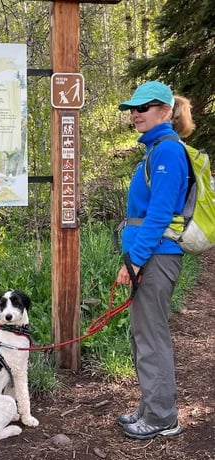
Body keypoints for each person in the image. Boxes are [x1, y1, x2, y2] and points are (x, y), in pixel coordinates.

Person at [116, 81, 195, 440]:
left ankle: (163, 417)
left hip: (157, 256)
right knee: (142, 335)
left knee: (151, 337)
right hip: (151, 255)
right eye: (133, 108)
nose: (136, 113)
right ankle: (151, 406)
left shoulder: (168, 152)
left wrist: (134, 260)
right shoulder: (156, 150)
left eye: (144, 107)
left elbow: (160, 213)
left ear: (165, 111)